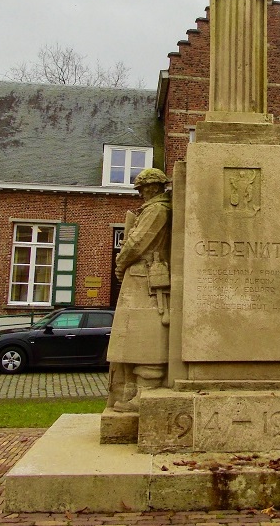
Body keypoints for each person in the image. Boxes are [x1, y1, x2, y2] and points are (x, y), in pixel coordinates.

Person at [106, 168, 172, 412]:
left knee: (145, 332)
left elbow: (137, 244)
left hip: (146, 277)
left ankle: (146, 389)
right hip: (139, 276)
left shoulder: (157, 210)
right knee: (132, 333)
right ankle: (132, 388)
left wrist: (120, 262)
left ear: (153, 188)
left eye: (145, 188)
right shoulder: (152, 209)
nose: (142, 193)